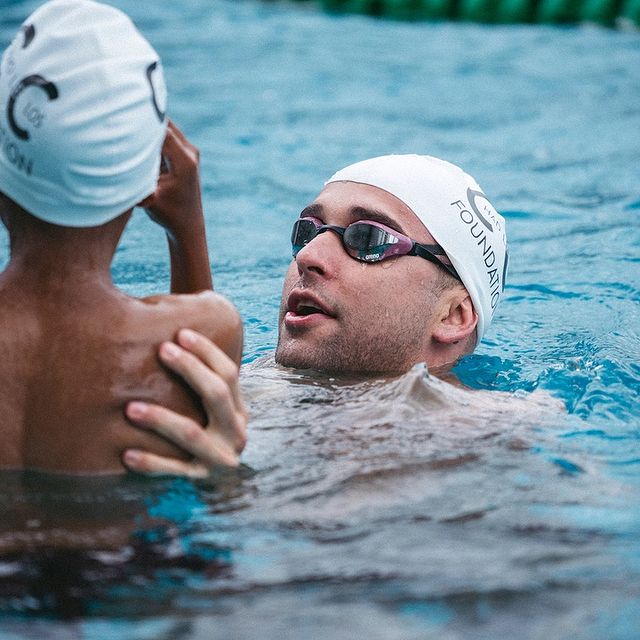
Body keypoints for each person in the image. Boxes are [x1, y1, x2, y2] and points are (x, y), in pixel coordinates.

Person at [122, 155, 509, 477]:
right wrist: (183, 231)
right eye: (306, 232)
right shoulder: (261, 378)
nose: (307, 257)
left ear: (453, 316)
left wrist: (230, 491)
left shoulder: (485, 436)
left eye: (368, 238)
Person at [0, 0, 245, 473]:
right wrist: (187, 230)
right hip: (130, 546)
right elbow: (207, 380)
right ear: (145, 181)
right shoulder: (205, 328)